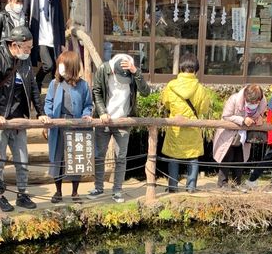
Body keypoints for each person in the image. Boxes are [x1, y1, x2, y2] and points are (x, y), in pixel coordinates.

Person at [0, 25, 49, 212]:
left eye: (31, 48)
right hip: (1, 115)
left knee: (22, 158)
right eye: (27, 48)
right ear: (14, 44)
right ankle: (0, 195)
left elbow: (34, 88)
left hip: (19, 116)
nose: (29, 51)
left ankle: (22, 193)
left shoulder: (25, 60)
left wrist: (40, 111)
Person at [90, 53, 150, 203]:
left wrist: (136, 72)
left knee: (121, 157)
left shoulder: (132, 72)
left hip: (124, 120)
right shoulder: (103, 69)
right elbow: (96, 91)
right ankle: (98, 187)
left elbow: (145, 92)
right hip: (104, 120)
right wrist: (102, 112)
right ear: (113, 70)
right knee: (99, 155)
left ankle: (117, 190)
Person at [45, 50, 92, 202]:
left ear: (72, 67)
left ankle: (75, 192)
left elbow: (88, 104)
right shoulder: (54, 84)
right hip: (58, 125)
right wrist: (49, 118)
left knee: (76, 159)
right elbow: (49, 102)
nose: (60, 68)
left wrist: (86, 114)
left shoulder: (83, 85)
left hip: (76, 125)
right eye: (59, 65)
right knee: (57, 158)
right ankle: (58, 191)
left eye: (63, 65)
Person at [161, 53, 211, 193]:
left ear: (181, 68)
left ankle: (172, 186)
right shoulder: (200, 89)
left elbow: (166, 103)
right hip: (193, 127)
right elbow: (203, 109)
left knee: (173, 157)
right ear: (196, 70)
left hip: (175, 127)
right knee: (192, 157)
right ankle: (191, 187)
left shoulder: (171, 86)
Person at [213, 84, 266, 188]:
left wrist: (260, 117)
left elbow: (262, 113)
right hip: (229, 134)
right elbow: (226, 116)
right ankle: (222, 183)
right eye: (251, 102)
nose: (254, 104)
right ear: (246, 98)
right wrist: (242, 120)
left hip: (245, 135)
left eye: (256, 102)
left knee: (240, 158)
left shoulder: (263, 101)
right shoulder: (234, 99)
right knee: (226, 157)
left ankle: (237, 183)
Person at [24, 0, 66, 92]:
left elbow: (60, 20)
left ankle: (54, 96)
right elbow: (25, 14)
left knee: (56, 70)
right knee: (48, 64)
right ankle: (38, 79)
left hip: (54, 38)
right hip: (40, 37)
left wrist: (62, 42)